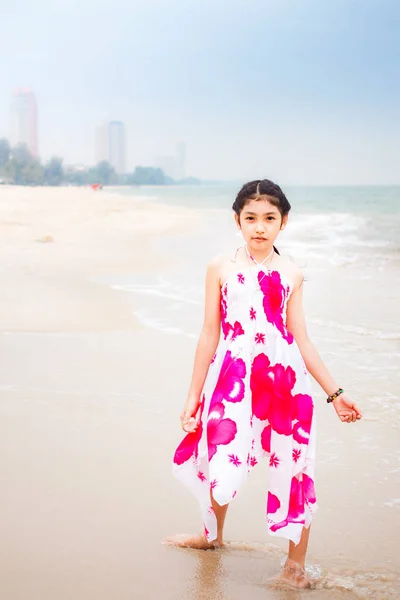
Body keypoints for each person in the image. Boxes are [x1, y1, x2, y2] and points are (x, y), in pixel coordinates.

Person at [168, 179, 362, 588]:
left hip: (284, 382)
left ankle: (295, 564)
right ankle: (211, 535)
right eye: (251, 218)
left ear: (284, 222)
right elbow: (209, 333)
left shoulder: (292, 273)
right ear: (236, 220)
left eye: (269, 219)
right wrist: (192, 395)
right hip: (232, 375)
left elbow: (301, 338)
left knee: (294, 464)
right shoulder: (220, 267)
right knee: (219, 452)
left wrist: (336, 394)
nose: (259, 227)